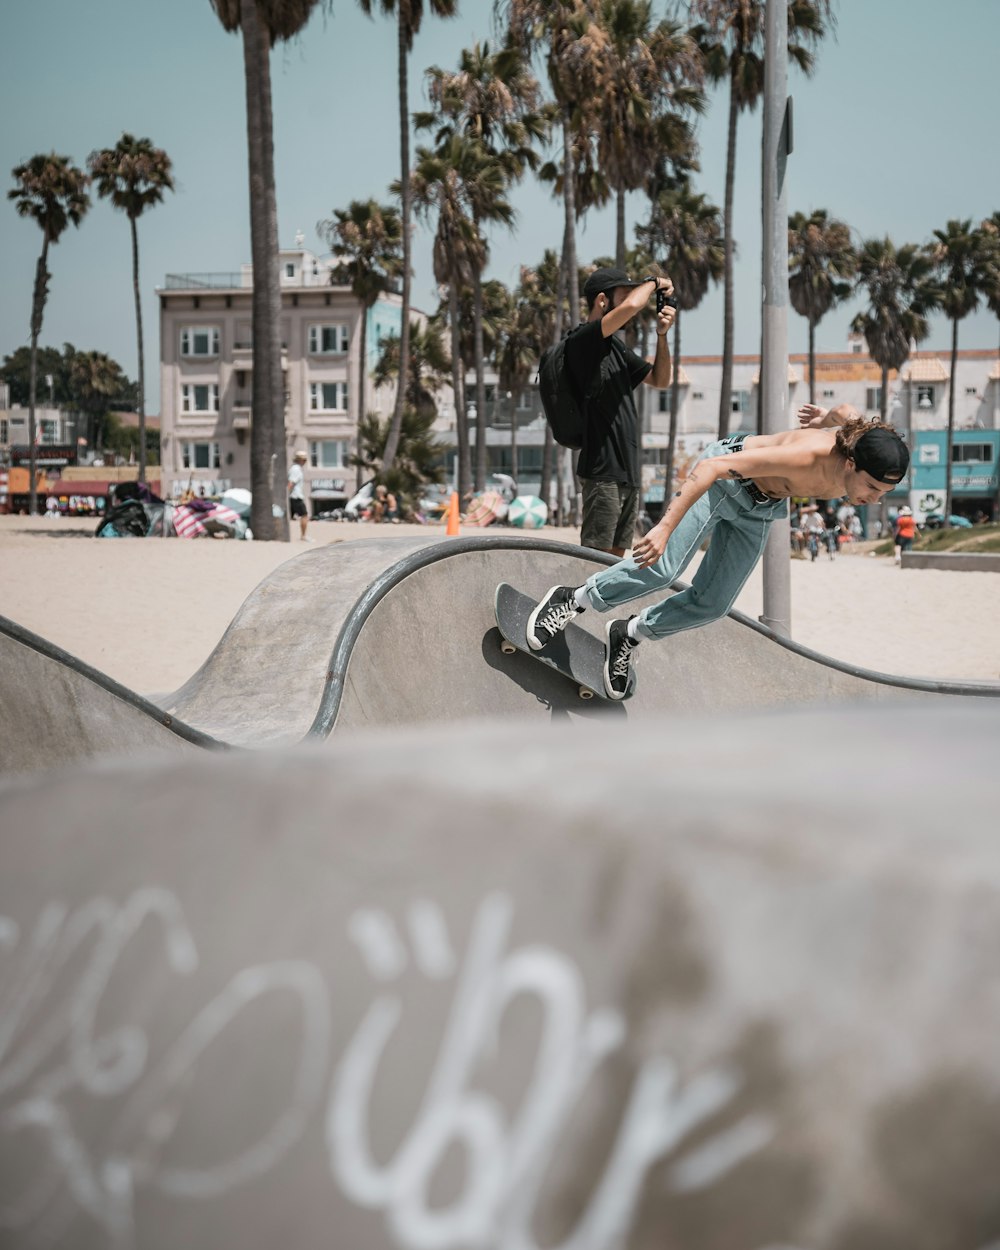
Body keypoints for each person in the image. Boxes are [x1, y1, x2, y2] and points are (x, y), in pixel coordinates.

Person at [525, 402, 910, 699]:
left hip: (762, 508)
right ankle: (571, 600)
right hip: (723, 484)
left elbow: (849, 414)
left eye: (884, 494)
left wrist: (827, 414)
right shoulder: (804, 457)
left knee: (714, 603)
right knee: (662, 569)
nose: (874, 500)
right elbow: (712, 466)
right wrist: (663, 528)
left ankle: (629, 632)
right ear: (849, 463)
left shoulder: (860, 440)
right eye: (872, 489)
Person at [564, 266, 677, 556]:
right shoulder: (583, 339)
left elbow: (661, 380)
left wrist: (662, 337)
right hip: (602, 471)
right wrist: (654, 282)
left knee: (613, 564)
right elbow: (634, 305)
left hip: (627, 472)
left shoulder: (616, 348)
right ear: (603, 301)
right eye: (623, 294)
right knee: (593, 562)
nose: (633, 306)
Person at [287, 449, 312, 541]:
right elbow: (291, 483)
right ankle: (303, 536)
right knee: (304, 515)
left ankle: (303, 535)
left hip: (295, 495)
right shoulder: (296, 469)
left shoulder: (296, 468)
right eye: (304, 459)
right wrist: (286, 495)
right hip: (296, 496)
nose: (305, 461)